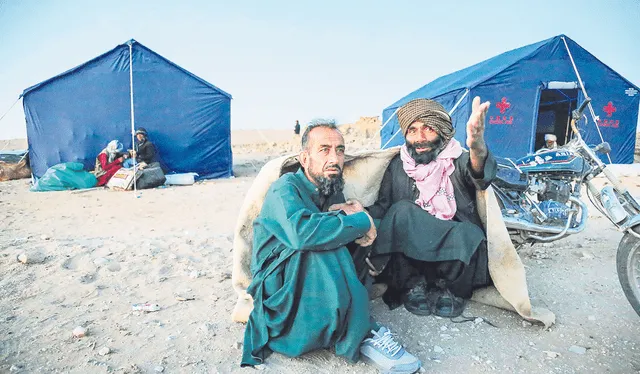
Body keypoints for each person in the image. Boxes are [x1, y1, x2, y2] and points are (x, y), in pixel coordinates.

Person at [241, 121, 421, 373]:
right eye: (324, 150)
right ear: (305, 158)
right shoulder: (285, 189)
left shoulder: (331, 188)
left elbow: (341, 223)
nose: (334, 158)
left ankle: (354, 310)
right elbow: (303, 234)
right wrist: (360, 221)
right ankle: (364, 333)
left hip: (307, 280)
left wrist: (363, 223)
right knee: (327, 240)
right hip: (279, 290)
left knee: (369, 228)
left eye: (339, 150)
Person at [364, 97, 497, 318]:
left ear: (442, 132)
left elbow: (480, 176)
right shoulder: (398, 165)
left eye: (428, 128)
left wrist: (477, 146)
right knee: (400, 211)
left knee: (468, 232)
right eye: (413, 130)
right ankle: (413, 285)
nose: (420, 138)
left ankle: (452, 290)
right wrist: (357, 213)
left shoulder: (458, 159)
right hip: (413, 254)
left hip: (453, 251)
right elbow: (383, 207)